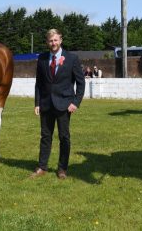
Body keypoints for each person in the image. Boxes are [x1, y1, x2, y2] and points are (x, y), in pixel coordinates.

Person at [32, 29, 85, 179]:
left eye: (55, 40)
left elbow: (81, 83)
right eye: (50, 40)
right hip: (46, 104)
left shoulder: (72, 58)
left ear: (60, 40)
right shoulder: (42, 58)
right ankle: (42, 167)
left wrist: (75, 102)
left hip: (64, 105)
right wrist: (37, 103)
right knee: (45, 137)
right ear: (47, 42)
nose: (53, 43)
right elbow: (39, 83)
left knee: (64, 137)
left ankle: (62, 169)